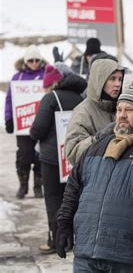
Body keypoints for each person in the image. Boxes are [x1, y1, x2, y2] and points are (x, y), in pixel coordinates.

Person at [56, 86, 133, 272]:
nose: (122, 115)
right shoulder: (97, 147)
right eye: (119, 109)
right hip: (87, 255)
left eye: (130, 110)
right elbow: (73, 188)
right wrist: (63, 223)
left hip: (131, 259)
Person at [29, 64, 86, 254]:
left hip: (53, 159)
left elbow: (37, 130)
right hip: (75, 156)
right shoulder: (80, 98)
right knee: (71, 198)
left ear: (52, 84)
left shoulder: (50, 98)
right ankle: (73, 238)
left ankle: (56, 240)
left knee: (53, 199)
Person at [4, 45, 46, 199]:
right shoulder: (17, 78)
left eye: (37, 60)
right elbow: (9, 100)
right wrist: (8, 118)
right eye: (31, 60)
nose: (34, 63)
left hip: (42, 125)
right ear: (25, 61)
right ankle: (23, 185)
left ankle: (37, 186)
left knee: (41, 156)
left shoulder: (46, 75)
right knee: (24, 157)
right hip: (23, 126)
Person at [65, 57, 124, 166]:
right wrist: (98, 138)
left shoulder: (123, 107)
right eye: (112, 79)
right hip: (94, 178)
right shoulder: (82, 111)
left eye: (120, 79)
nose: (117, 84)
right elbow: (73, 153)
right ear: (99, 81)